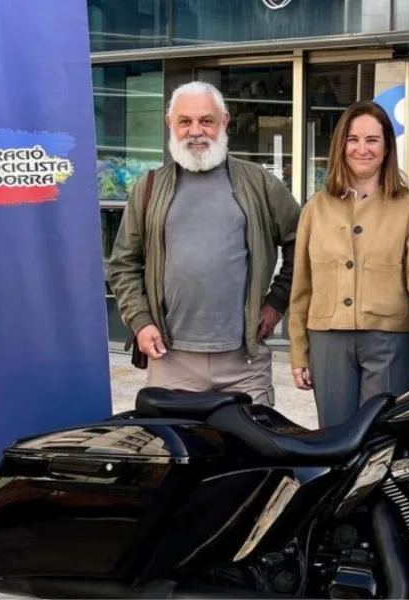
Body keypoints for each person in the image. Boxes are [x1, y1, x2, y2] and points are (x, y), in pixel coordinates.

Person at [107, 81, 301, 406]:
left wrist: (277, 301)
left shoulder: (260, 183)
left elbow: (303, 244)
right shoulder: (148, 188)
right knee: (175, 442)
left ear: (224, 122)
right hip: (170, 362)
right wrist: (140, 322)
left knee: (252, 440)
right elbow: (123, 265)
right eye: (185, 121)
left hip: (244, 364)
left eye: (206, 121)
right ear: (170, 124)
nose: (195, 131)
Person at [287, 101, 409, 428]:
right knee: (335, 440)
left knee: (384, 438)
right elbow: (303, 286)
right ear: (341, 146)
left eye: (372, 140)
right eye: (353, 139)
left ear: (387, 148)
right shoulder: (315, 209)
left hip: (390, 343)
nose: (362, 149)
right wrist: (299, 351)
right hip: (327, 342)